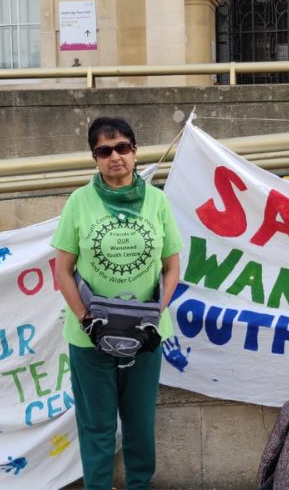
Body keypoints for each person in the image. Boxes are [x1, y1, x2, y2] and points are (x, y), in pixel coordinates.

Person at [51, 117, 183, 489]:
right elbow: (62, 271)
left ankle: (139, 485)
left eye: (123, 147)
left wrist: (155, 316)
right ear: (94, 157)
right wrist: (86, 319)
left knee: (140, 423)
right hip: (90, 337)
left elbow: (172, 267)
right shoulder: (79, 202)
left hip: (145, 336)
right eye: (104, 151)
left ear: (135, 151)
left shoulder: (156, 201)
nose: (115, 157)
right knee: (97, 425)